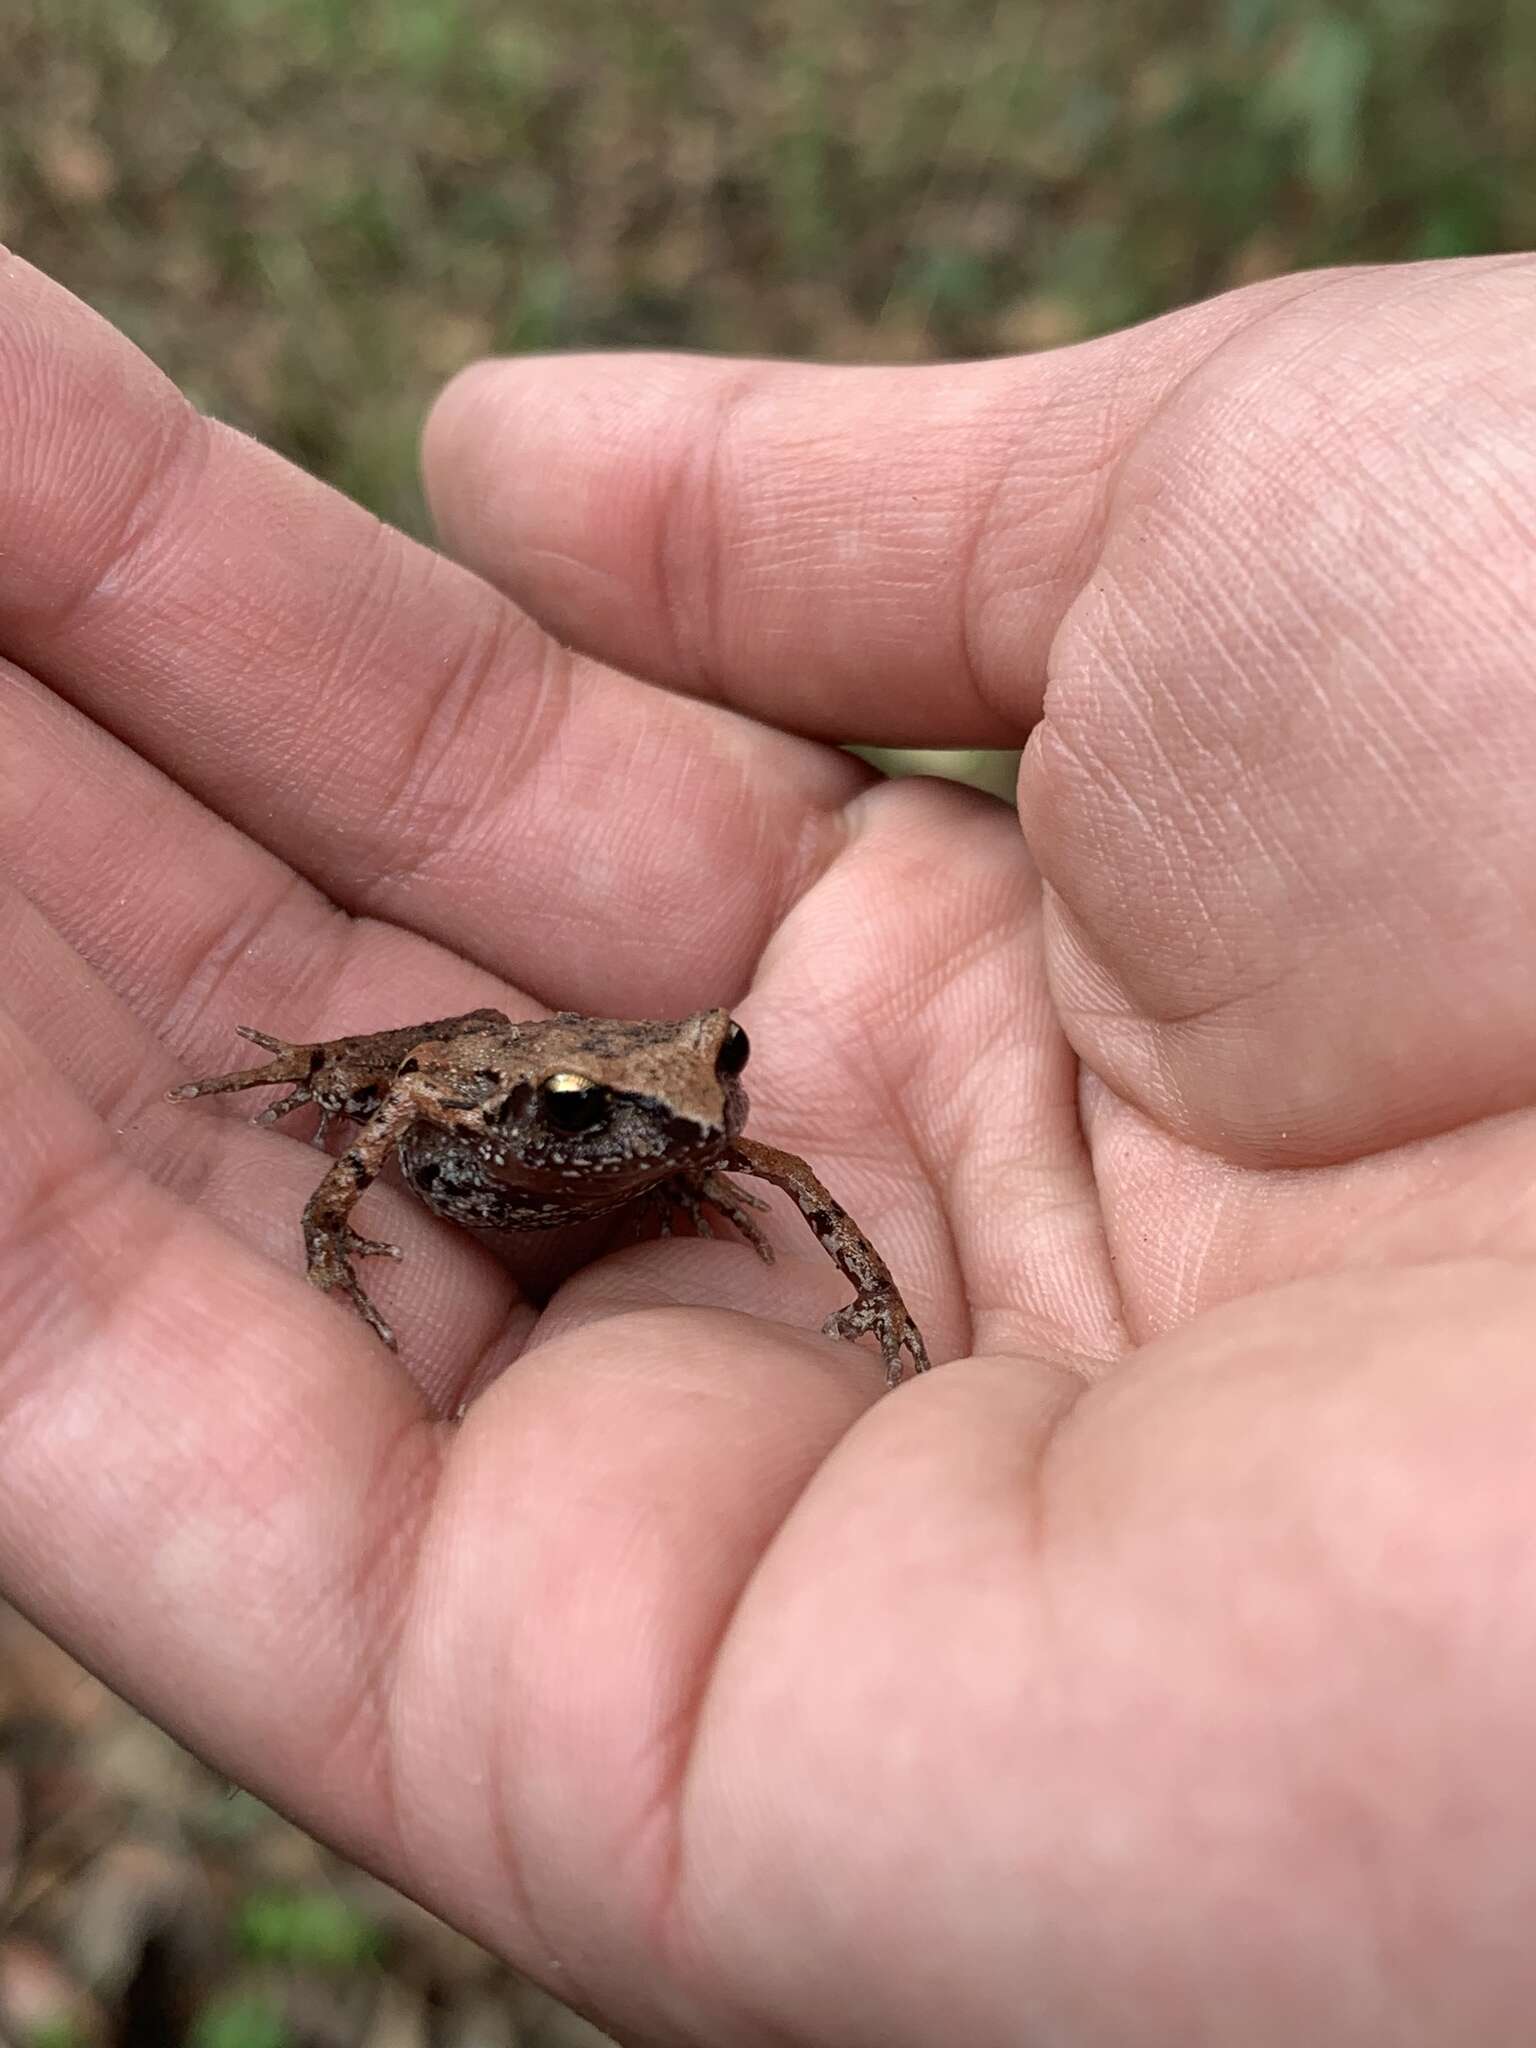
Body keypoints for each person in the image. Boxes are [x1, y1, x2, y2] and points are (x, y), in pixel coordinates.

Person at [1, 245, 1533, 2045]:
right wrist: (337, 1216)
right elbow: (424, 1100)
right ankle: (281, 1071)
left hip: (575, 1094)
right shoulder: (496, 1112)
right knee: (372, 1064)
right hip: (476, 1081)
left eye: (722, 1068)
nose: (702, 1122)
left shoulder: (701, 1137)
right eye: (640, 1111)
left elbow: (784, 1171)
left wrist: (872, 1305)